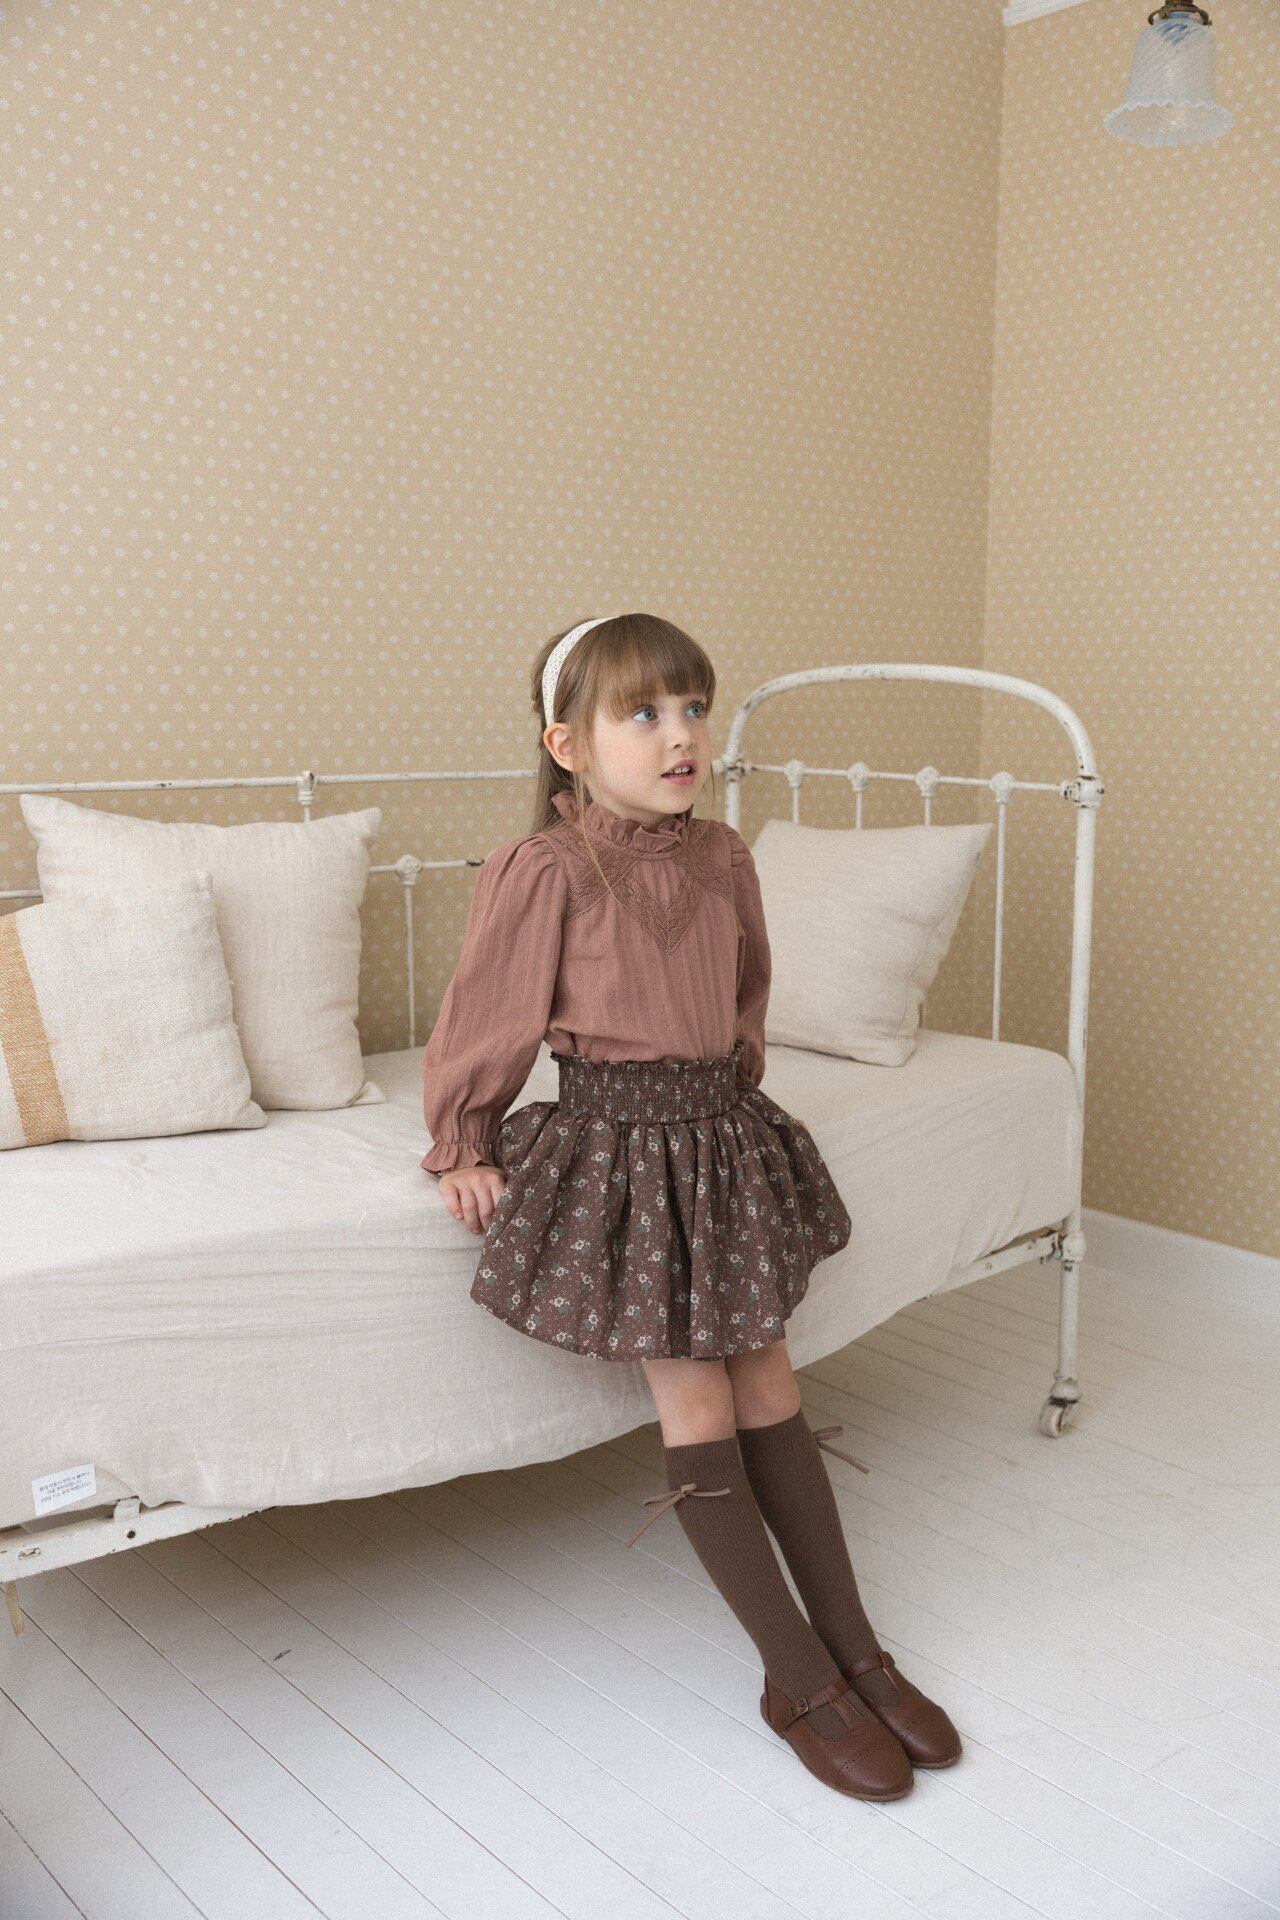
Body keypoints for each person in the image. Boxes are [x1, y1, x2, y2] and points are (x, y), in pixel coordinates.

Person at [420, 611, 962, 1799]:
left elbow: (746, 986)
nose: (680, 736)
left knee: (772, 1383)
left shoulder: (723, 855)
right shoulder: (545, 868)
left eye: (693, 709)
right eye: (643, 714)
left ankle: (854, 1650)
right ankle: (794, 1677)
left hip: (717, 1141)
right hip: (621, 1153)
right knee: (701, 1398)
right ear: (567, 745)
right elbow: (487, 1012)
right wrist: (464, 1137)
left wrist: (735, 1088)